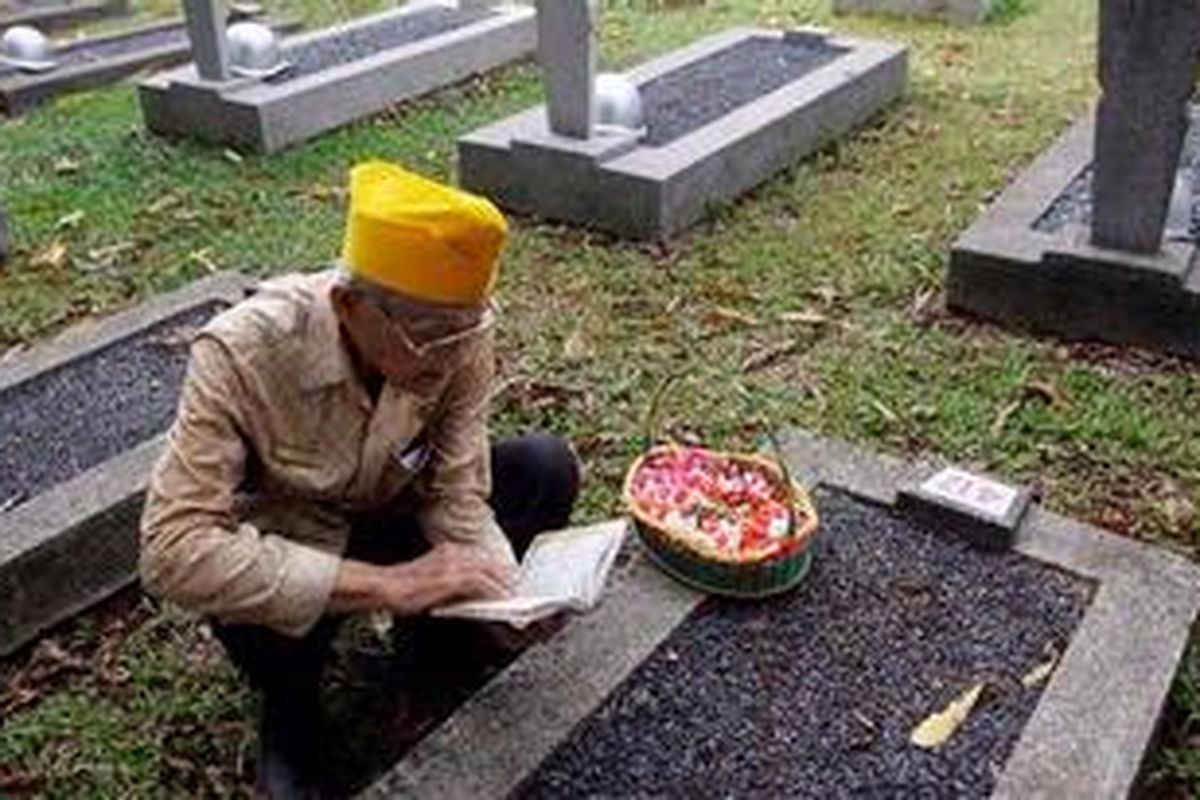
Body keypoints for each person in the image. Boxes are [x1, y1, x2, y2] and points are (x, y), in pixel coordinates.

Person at [139, 162, 580, 798]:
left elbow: (456, 491)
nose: (450, 359)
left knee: (542, 469)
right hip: (298, 541)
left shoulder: (459, 331)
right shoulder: (243, 351)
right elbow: (172, 549)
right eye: (430, 340)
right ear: (350, 305)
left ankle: (440, 648)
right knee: (252, 602)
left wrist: (505, 594)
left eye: (465, 334)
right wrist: (391, 585)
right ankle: (292, 709)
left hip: (393, 510)